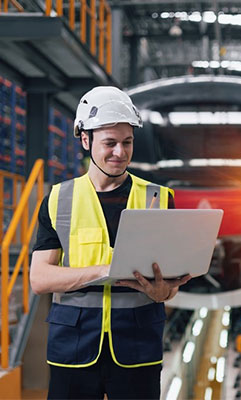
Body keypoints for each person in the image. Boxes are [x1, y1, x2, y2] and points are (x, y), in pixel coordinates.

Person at [30, 86, 191, 400]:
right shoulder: (59, 199)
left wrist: (164, 292)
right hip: (73, 348)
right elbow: (40, 278)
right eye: (110, 143)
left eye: (127, 142)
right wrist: (105, 270)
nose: (120, 152)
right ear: (86, 140)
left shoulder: (158, 198)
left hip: (138, 347)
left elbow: (169, 284)